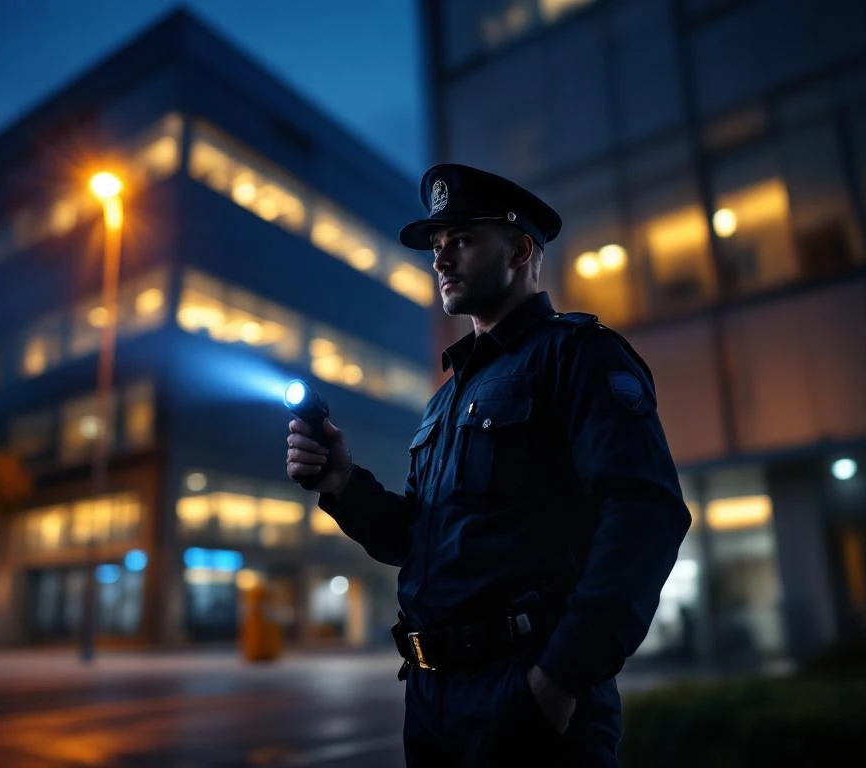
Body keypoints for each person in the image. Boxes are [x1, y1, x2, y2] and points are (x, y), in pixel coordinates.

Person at [285, 163, 691, 766]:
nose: (441, 260)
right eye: (437, 247)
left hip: (528, 690)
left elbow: (646, 519)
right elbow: (420, 541)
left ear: (521, 249)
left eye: (463, 240)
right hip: (430, 699)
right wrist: (343, 483)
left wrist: (559, 677)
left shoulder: (577, 357)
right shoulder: (445, 398)